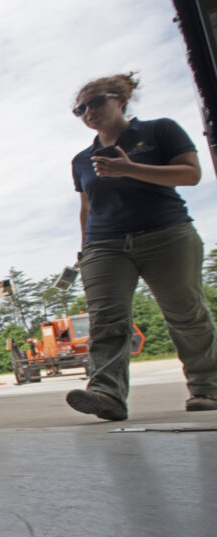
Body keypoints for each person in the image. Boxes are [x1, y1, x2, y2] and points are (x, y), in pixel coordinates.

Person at [66, 72, 217, 420]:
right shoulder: (81, 160)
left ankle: (207, 387)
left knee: (186, 313)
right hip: (105, 244)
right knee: (106, 320)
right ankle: (107, 393)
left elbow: (190, 175)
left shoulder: (159, 131)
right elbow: (87, 207)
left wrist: (129, 169)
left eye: (95, 101)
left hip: (165, 233)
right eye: (80, 109)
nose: (88, 111)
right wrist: (86, 247)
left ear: (120, 99)